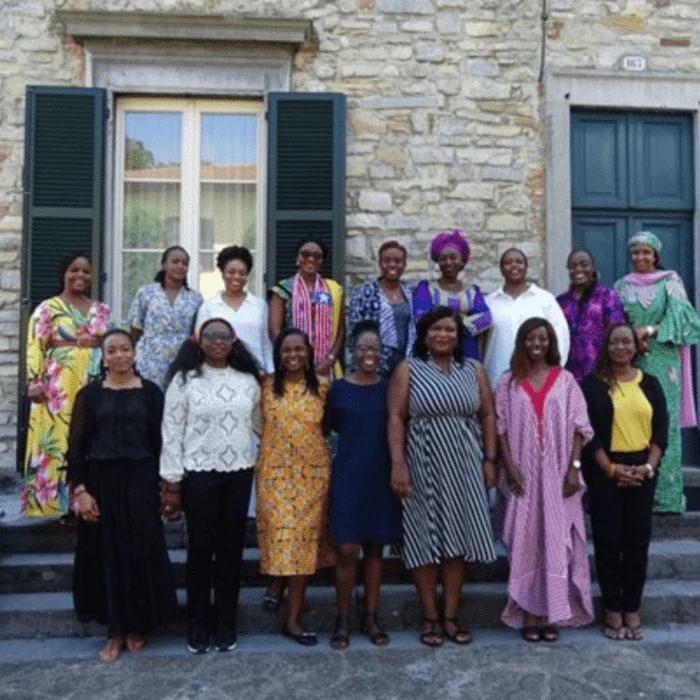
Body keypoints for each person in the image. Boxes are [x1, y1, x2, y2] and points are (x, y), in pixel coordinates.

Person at [388, 306, 497, 647]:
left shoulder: (474, 370)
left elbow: (488, 415)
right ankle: (429, 615)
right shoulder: (409, 369)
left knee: (458, 540)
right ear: (424, 335)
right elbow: (395, 417)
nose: (443, 335)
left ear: (459, 335)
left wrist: (489, 459)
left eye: (450, 330)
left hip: (465, 462)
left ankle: (450, 616)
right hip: (423, 461)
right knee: (424, 540)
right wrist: (398, 464)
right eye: (436, 329)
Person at [67, 329, 176, 663]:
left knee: (140, 552)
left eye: (124, 349)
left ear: (134, 353)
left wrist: (168, 486)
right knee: (107, 555)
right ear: (104, 356)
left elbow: (163, 442)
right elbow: (76, 447)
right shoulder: (90, 395)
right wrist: (80, 491)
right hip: (101, 481)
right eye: (111, 350)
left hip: (142, 480)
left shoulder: (151, 394)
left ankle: (138, 625)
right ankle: (114, 631)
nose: (119, 355)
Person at [160, 318, 261, 654]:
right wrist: (171, 481)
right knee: (201, 550)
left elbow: (263, 425)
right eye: (211, 336)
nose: (218, 341)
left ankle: (225, 623)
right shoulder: (184, 380)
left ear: (234, 341)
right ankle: (198, 622)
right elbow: (171, 431)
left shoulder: (249, 381)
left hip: (238, 472)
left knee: (231, 551)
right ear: (198, 341)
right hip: (199, 473)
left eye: (224, 336)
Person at [495, 318, 594, 642]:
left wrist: (574, 468)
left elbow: (581, 428)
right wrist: (509, 469)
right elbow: (501, 430)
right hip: (523, 476)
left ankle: (553, 612)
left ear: (550, 342)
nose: (536, 344)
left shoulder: (565, 381)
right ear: (522, 342)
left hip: (558, 476)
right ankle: (529, 612)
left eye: (542, 338)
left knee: (557, 542)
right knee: (526, 543)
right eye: (530, 338)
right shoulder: (508, 382)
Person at [581, 323, 669, 640]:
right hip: (606, 470)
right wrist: (611, 470)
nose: (621, 347)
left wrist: (647, 469)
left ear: (636, 347)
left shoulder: (652, 384)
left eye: (627, 341)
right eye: (615, 341)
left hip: (643, 470)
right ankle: (612, 610)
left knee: (636, 543)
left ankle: (632, 608)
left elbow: (661, 433)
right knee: (607, 543)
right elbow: (587, 434)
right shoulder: (592, 385)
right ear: (606, 347)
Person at [323, 321, 402, 650]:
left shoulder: (390, 388)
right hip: (348, 476)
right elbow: (328, 429)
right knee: (346, 550)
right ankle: (342, 617)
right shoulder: (339, 388)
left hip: (381, 477)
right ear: (352, 352)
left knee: (374, 550)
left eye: (375, 349)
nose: (369, 354)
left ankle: (370, 616)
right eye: (363, 348)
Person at [256, 329, 334, 646]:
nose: (293, 355)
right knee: (279, 535)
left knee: (301, 544)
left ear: (308, 352)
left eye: (299, 349)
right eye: (287, 350)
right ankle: (277, 583)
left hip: (312, 475)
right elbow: (256, 423)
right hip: (274, 474)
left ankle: (292, 618)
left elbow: (329, 426)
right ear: (278, 353)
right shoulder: (265, 386)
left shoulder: (324, 387)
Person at [614, 231, 700, 514]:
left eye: (646, 252)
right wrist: (630, 339)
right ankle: (636, 489)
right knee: (634, 421)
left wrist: (648, 331)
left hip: (664, 362)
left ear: (656, 255)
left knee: (664, 423)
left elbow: (685, 320)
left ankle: (667, 497)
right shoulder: (621, 286)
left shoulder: (670, 282)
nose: (640, 257)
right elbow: (616, 322)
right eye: (635, 253)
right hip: (632, 362)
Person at [22, 253, 110, 518]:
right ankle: (56, 506)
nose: (80, 276)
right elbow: (34, 346)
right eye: (75, 270)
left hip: (93, 381)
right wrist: (34, 382)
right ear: (64, 274)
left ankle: (85, 503)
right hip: (57, 384)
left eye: (86, 271)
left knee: (89, 436)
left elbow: (110, 343)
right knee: (56, 439)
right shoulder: (47, 309)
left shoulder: (100, 310)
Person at [483, 248, 570, 388]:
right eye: (508, 262)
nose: (514, 266)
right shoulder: (489, 303)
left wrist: (553, 370)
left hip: (537, 379)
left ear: (526, 267)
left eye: (519, 262)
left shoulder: (544, 299)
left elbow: (561, 335)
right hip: (497, 377)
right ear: (501, 269)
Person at [268, 238, 345, 379]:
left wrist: (329, 360)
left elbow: (340, 330)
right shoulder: (283, 289)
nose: (311, 259)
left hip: (326, 369)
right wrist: (293, 361)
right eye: (305, 254)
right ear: (297, 258)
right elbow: (275, 331)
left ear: (322, 261)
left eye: (317, 256)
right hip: (292, 367)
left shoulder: (333, 290)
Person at [128, 246, 202, 390]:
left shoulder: (195, 298)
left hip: (181, 361)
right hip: (149, 361)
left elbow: (197, 333)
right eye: (175, 261)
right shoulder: (146, 292)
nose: (180, 266)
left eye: (184, 263)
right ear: (164, 265)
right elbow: (135, 327)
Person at [412, 230, 492, 360]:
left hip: (467, 350)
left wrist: (458, 329)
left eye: (453, 258)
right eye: (443, 259)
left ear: (462, 262)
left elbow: (486, 317)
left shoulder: (472, 291)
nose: (448, 262)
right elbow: (421, 316)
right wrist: (452, 327)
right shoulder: (426, 289)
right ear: (438, 262)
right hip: (433, 350)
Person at [196, 245, 274, 374]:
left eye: (242, 273)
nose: (236, 277)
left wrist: (271, 373)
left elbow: (265, 344)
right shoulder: (209, 306)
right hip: (218, 373)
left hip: (255, 373)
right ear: (222, 273)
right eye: (231, 272)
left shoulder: (259, 305)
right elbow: (200, 342)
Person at [557, 249, 626, 382]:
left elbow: (616, 332)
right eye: (573, 266)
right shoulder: (561, 301)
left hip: (601, 370)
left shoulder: (607, 297)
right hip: (569, 372)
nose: (578, 269)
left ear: (592, 268)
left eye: (584, 264)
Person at [348, 241, 416, 376]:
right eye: (387, 260)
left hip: (406, 362)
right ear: (379, 263)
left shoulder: (411, 293)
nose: (392, 265)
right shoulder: (364, 292)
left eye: (398, 261)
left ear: (404, 264)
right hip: (373, 362)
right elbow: (353, 331)